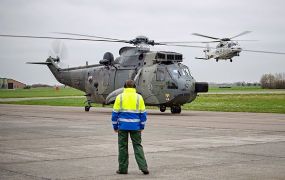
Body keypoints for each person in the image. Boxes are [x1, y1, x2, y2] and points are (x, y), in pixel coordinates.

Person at [111, 79, 149, 175]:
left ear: (124, 86)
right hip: (136, 127)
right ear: (134, 87)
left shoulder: (119, 97)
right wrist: (142, 125)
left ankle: (123, 169)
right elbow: (143, 114)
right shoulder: (139, 97)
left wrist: (115, 126)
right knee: (137, 146)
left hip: (122, 127)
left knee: (122, 147)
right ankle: (143, 167)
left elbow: (115, 114)